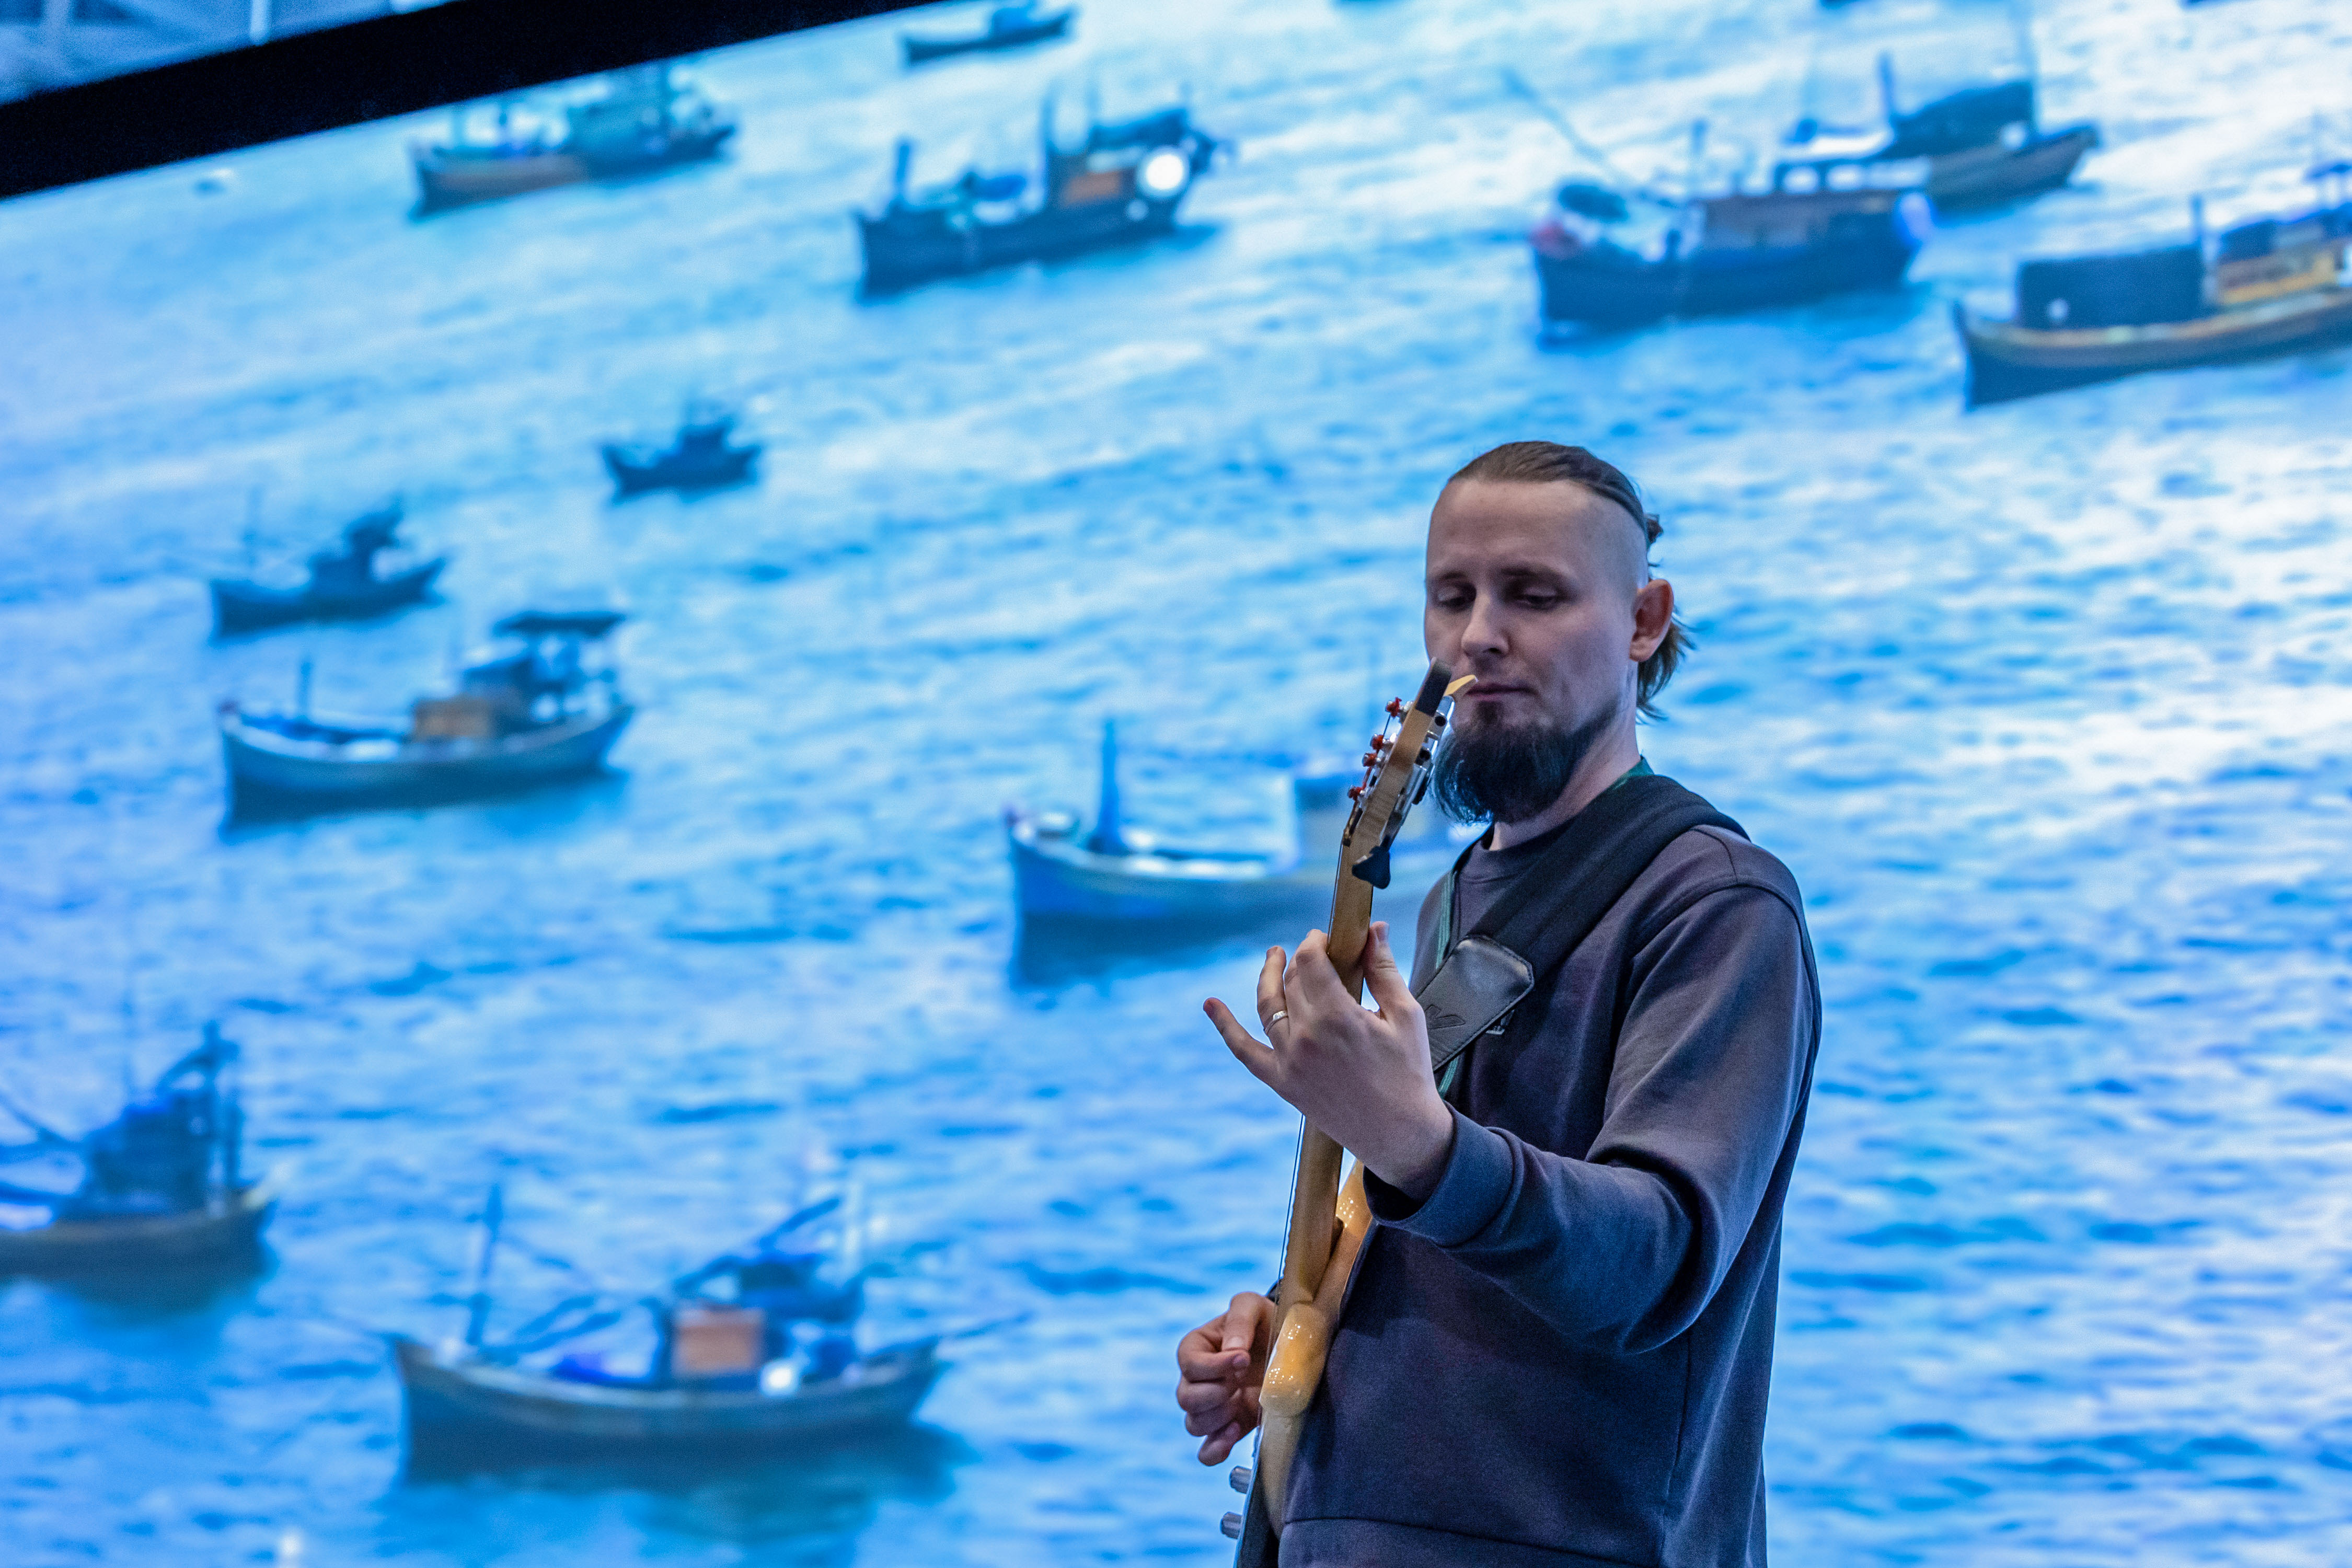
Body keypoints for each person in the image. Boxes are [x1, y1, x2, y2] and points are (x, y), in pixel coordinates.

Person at [1175, 441, 1821, 1567]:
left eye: (1534, 595)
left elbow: (1658, 1258)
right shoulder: (1453, 899)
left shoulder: (1717, 903)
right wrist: (1301, 1324)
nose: (1479, 635)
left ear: (1644, 621)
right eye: (1452, 596)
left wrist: (1418, 1146)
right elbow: (1447, 1231)